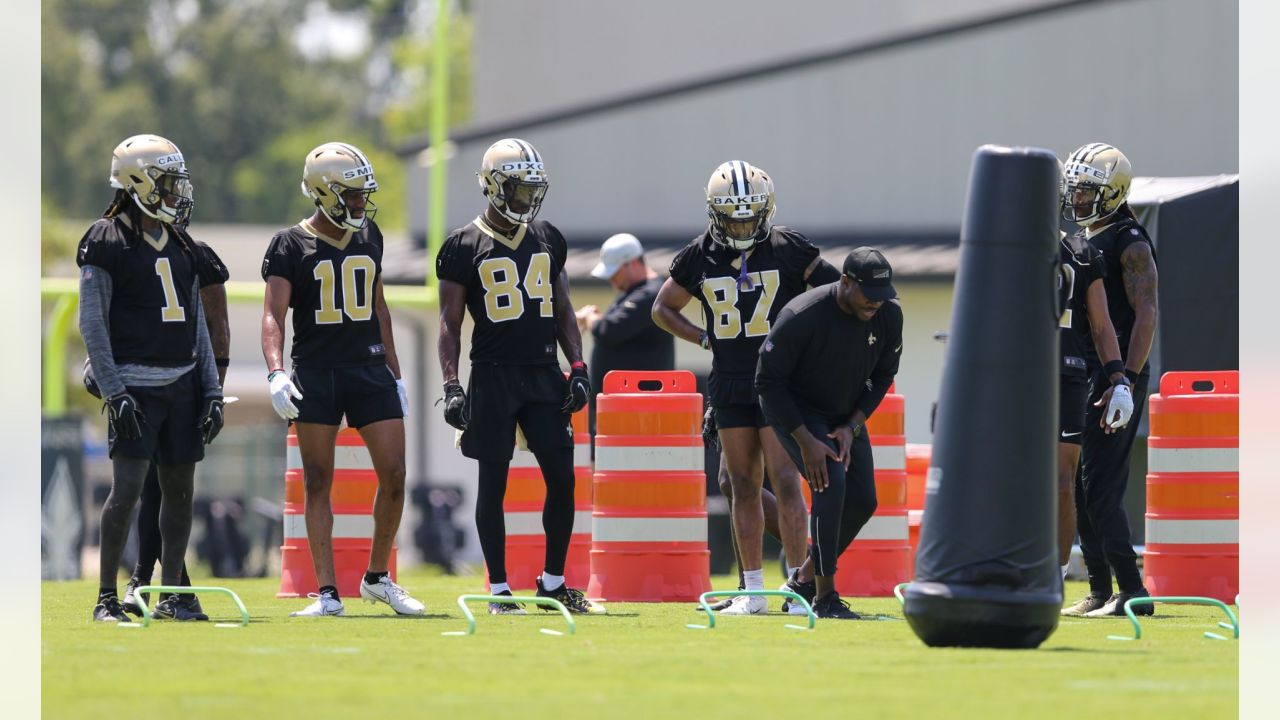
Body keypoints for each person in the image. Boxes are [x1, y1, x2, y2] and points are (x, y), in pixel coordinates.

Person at [652, 160, 841, 615]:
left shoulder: (790, 248)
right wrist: (702, 336)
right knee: (740, 484)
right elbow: (663, 308)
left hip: (780, 381)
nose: (742, 224)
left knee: (787, 481)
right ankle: (754, 591)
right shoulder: (698, 255)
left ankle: (799, 589)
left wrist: (808, 344)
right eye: (733, 215)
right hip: (731, 380)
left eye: (750, 214)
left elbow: (835, 292)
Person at [261, 141, 423, 618]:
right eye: (350, 194)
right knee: (317, 480)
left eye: (361, 194)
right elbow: (273, 315)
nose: (359, 203)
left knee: (395, 474)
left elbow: (379, 306)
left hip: (369, 368)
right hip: (316, 371)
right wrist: (275, 372)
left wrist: (395, 372)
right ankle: (328, 593)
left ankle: (377, 578)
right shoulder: (290, 244)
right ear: (323, 191)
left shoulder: (368, 234)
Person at [436, 137, 598, 616]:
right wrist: (451, 385)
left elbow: (564, 308)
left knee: (563, 478)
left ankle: (552, 583)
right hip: (492, 374)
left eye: (532, 188)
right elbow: (449, 322)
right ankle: (500, 590)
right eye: (518, 188)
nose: (528, 198)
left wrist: (579, 366)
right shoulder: (464, 244)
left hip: (543, 370)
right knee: (494, 480)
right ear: (493, 186)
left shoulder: (548, 237)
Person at [80, 134, 224, 622]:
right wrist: (114, 389)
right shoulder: (107, 238)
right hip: (135, 387)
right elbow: (92, 323)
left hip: (182, 383)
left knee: (181, 495)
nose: (174, 194)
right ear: (137, 182)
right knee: (127, 491)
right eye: (165, 183)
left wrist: (212, 390)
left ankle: (170, 593)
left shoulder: (181, 243)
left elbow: (196, 326)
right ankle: (105, 598)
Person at [755, 247, 903, 619]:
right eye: (869, 294)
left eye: (883, 296)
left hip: (845, 415)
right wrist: (805, 441)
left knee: (864, 500)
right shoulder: (802, 315)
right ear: (846, 282)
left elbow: (884, 375)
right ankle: (824, 599)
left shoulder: (888, 314)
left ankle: (801, 580)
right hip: (799, 412)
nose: (876, 303)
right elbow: (767, 383)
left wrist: (853, 426)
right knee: (830, 485)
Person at [1055, 143, 1160, 617]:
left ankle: (1133, 590)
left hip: (1117, 374)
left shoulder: (1128, 239)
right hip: (1086, 370)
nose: (1077, 197)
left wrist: (1128, 379)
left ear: (1111, 193)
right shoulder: (1087, 236)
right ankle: (1100, 588)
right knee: (1078, 484)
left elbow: (1147, 314)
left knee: (1100, 486)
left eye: (1086, 190)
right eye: (1074, 188)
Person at [1054, 229, 1133, 589]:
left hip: (1065, 373)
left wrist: (1119, 377)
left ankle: (1051, 577)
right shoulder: (1004, 245)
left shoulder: (1080, 251)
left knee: (1062, 482)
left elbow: (1101, 325)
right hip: (1015, 375)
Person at [575, 233, 675, 435]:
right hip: (622, 411)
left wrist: (590, 318)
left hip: (639, 412)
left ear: (632, 264)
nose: (611, 280)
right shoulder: (633, 294)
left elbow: (608, 331)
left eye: (614, 272)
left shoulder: (650, 294)